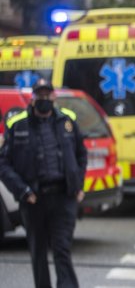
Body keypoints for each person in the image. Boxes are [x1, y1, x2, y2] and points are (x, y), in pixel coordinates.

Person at [0, 79, 87, 288]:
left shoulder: (67, 122)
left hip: (63, 198)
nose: (44, 99)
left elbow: (81, 155)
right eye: (40, 95)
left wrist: (78, 184)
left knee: (62, 249)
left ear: (54, 97)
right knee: (38, 252)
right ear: (33, 98)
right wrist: (22, 191)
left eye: (47, 95)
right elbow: (3, 164)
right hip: (34, 200)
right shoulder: (18, 125)